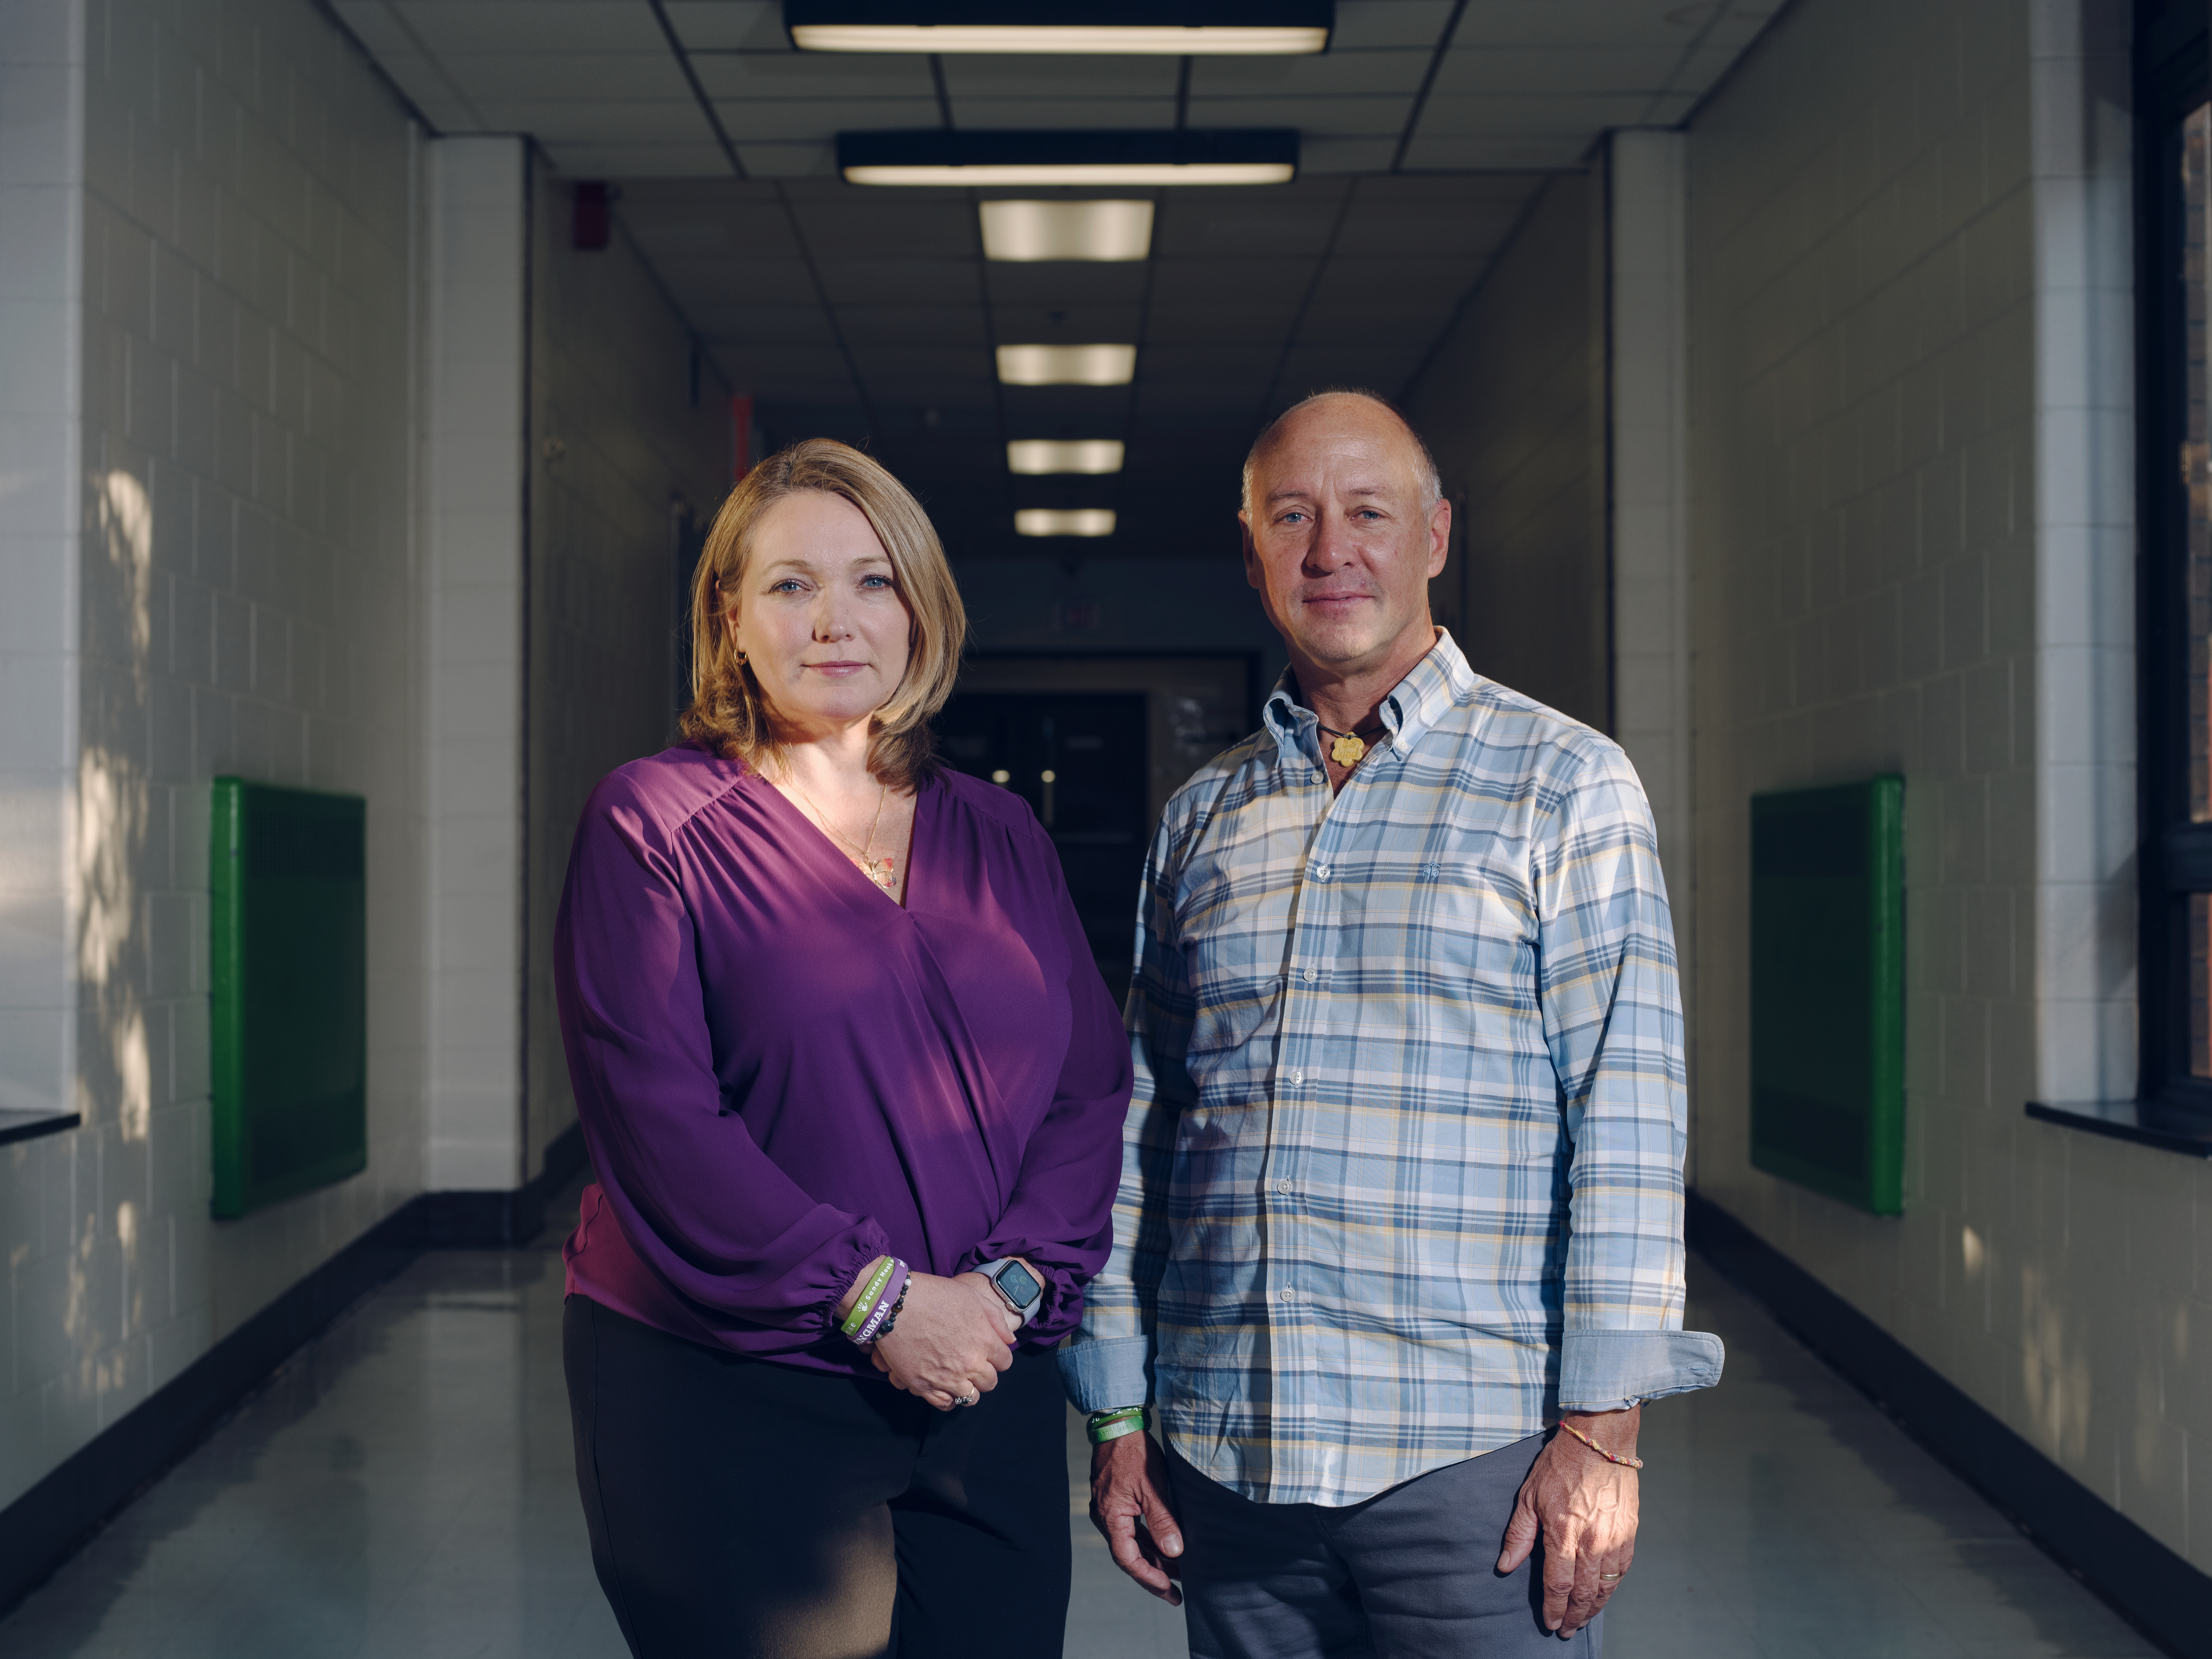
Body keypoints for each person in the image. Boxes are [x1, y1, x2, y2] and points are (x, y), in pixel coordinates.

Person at [1064, 391, 1724, 1656]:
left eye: (1367, 512)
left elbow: (1625, 1119)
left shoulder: (1563, 783)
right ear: (1249, 551)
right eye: (1291, 518)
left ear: (1434, 536)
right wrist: (1116, 1409)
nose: (1330, 551)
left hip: (1471, 1465)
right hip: (1228, 1460)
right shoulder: (1200, 820)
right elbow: (1140, 1126)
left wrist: (1601, 1435)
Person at [554, 438, 1133, 1659]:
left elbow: (1086, 1085)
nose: (836, 620)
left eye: (873, 581)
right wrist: (871, 1299)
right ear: (729, 612)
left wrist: (1011, 1288)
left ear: (922, 608)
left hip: (983, 1368)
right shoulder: (653, 823)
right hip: (729, 1384)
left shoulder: (1000, 831)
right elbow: (658, 1119)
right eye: (790, 584)